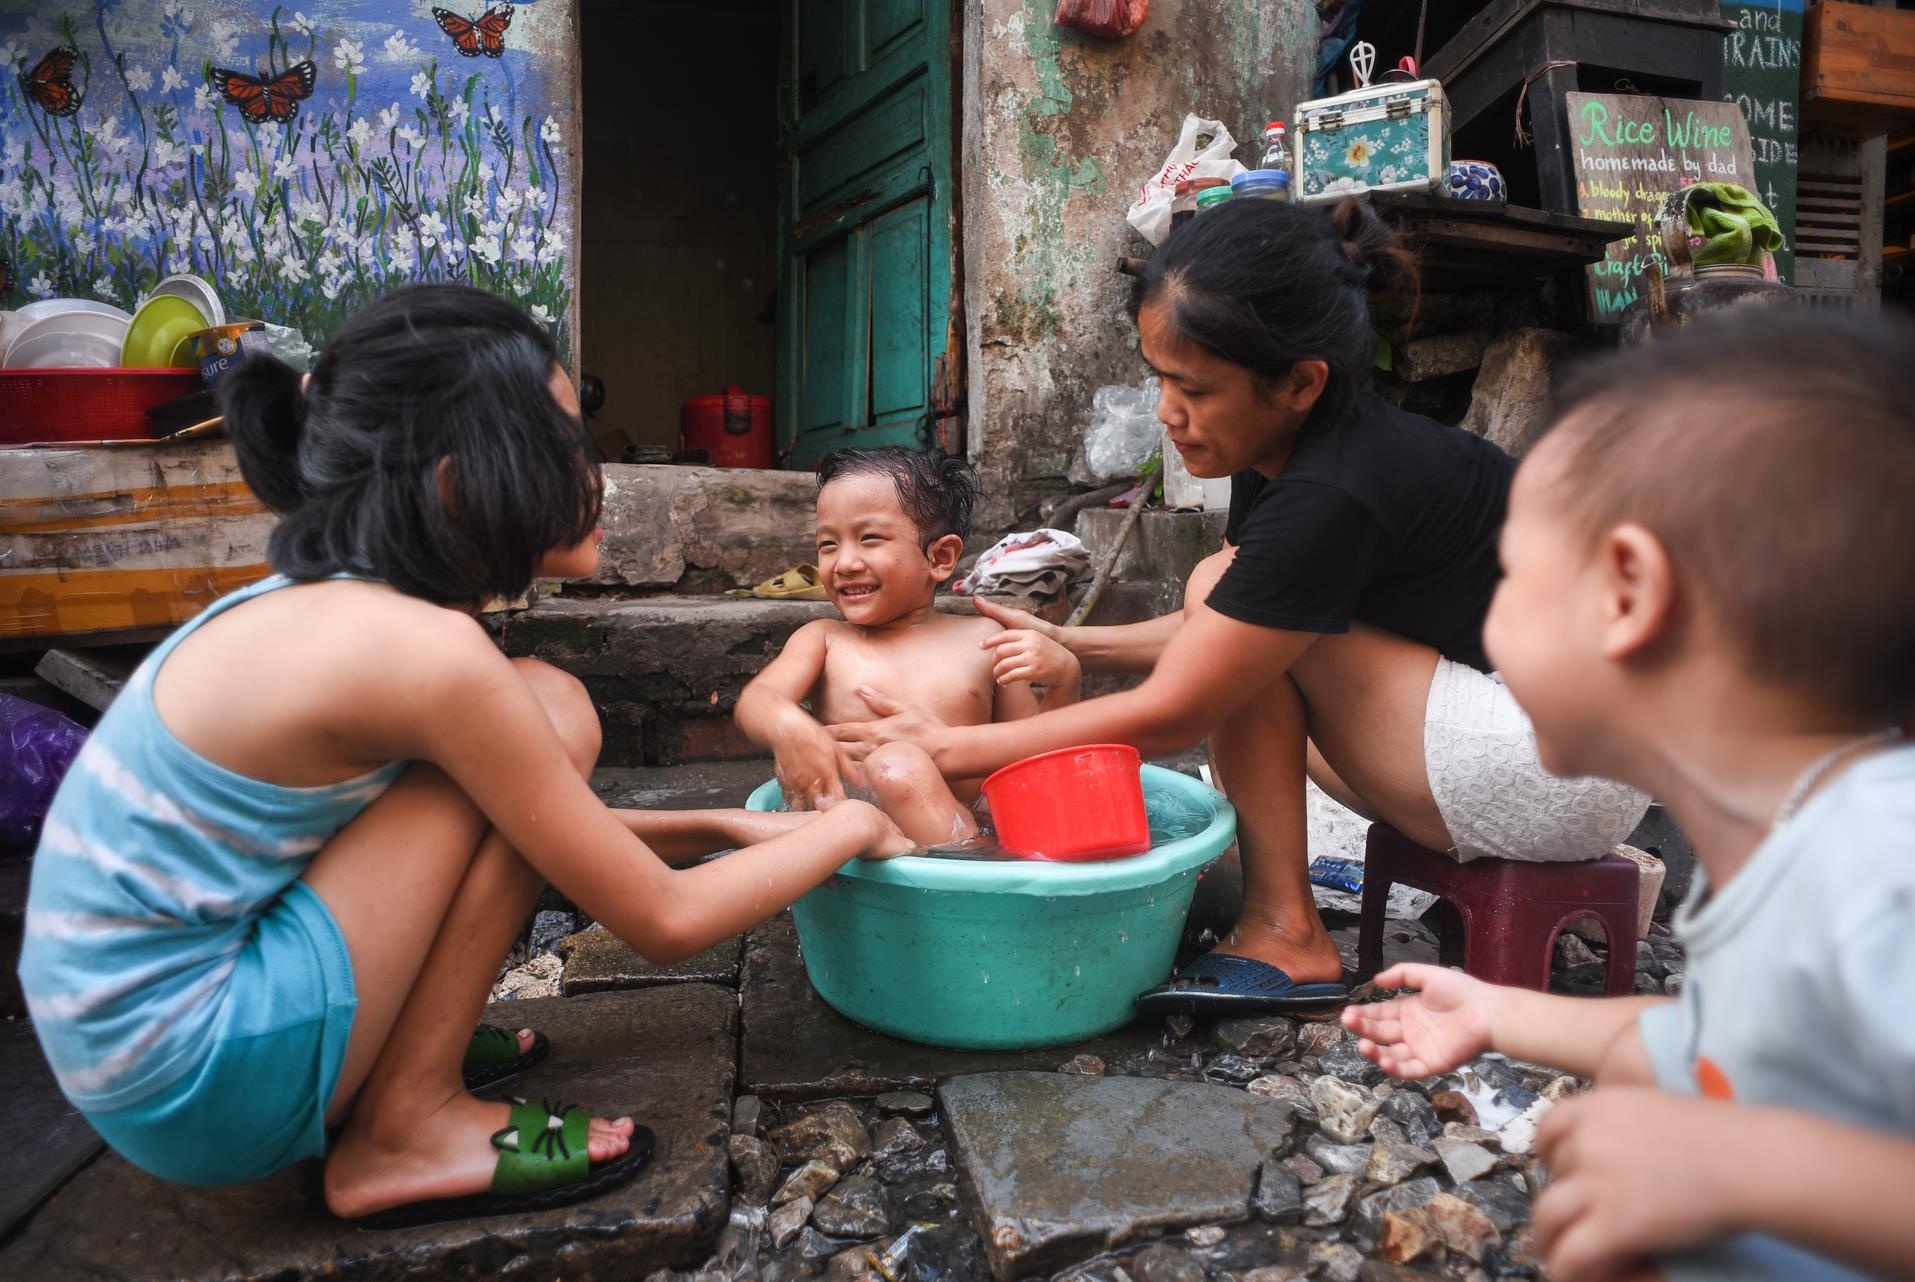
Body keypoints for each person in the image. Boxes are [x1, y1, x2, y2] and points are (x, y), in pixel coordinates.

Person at [17, 285, 910, 1228]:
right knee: (552, 709)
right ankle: (407, 1122)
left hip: (140, 1060)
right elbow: (665, 922)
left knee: (538, 708)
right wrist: (853, 822)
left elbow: (526, 825)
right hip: (203, 1075)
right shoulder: (429, 656)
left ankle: (398, 1060)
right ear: (457, 474)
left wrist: (725, 821)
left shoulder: (339, 605)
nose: (596, 471)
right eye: (566, 442)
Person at [828, 198, 1647, 1011]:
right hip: (1533, 736)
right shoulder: (1296, 445)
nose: (1165, 412)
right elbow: (1224, 630)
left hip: (1563, 773)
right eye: (1158, 379)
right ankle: (1282, 909)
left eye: (1191, 387)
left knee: (1227, 613)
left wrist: (952, 748)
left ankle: (1286, 933)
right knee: (1231, 605)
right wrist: (1077, 641)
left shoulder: (1334, 490)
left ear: (1298, 381)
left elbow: (1176, 709)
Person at [1345, 310, 1915, 1282]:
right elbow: (1710, 1032)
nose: (1489, 618)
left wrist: (1734, 1168)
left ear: (1626, 595)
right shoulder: (1779, 862)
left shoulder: (1880, 857)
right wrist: (1496, 1012)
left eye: (1513, 576)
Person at [735, 447, 1081, 846]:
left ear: (940, 557)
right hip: (863, 841)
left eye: (869, 539)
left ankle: (973, 859)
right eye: (828, 544)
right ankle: (965, 860)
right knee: (896, 765)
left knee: (905, 767)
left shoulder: (983, 641)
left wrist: (1065, 680)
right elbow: (756, 702)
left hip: (970, 833)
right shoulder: (824, 639)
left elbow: (1033, 763)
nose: (844, 562)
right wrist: (786, 723)